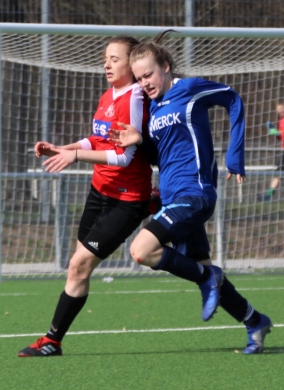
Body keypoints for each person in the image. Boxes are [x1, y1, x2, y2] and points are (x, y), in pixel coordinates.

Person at [113, 33, 272, 354]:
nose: (144, 83)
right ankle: (254, 321)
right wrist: (140, 142)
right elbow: (165, 156)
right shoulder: (154, 109)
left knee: (141, 251)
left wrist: (235, 158)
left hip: (195, 195)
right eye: (139, 78)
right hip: (174, 199)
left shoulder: (189, 89)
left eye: (148, 74)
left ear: (166, 67)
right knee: (202, 269)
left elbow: (233, 99)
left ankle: (208, 277)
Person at [18, 37, 154, 357]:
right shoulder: (108, 95)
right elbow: (96, 139)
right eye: (105, 58)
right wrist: (62, 149)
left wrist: (75, 157)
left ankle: (52, 341)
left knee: (79, 265)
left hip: (125, 199)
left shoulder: (134, 98)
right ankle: (53, 341)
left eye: (115, 59)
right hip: (99, 192)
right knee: (77, 268)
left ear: (132, 64)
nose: (106, 64)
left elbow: (123, 157)